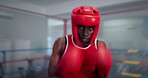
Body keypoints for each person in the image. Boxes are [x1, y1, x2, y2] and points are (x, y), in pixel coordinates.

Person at [48, 6, 112, 78]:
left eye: (90, 29)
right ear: (75, 27)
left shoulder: (100, 45)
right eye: (81, 28)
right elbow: (51, 74)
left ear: (95, 30)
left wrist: (103, 71)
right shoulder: (61, 43)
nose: (85, 33)